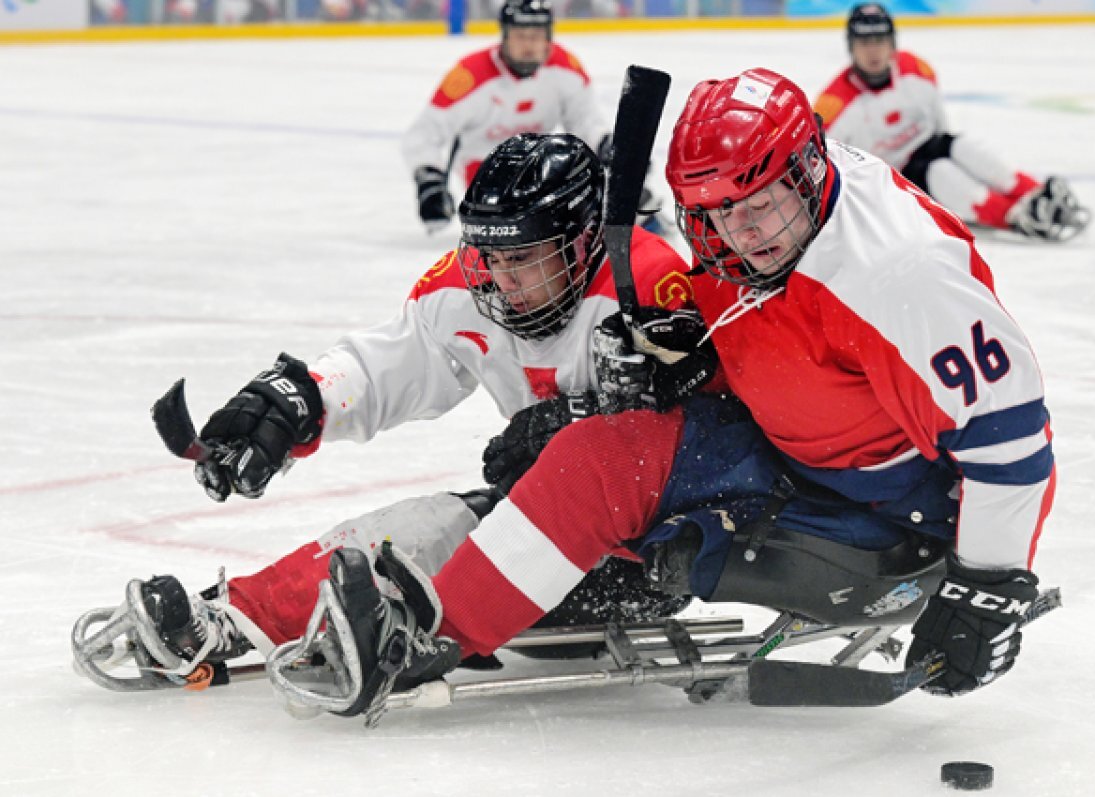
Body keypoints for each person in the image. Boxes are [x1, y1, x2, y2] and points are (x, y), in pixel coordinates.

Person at [281, 67, 1055, 718]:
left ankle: (421, 639)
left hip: (887, 507)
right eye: (713, 215)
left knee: (608, 480)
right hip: (784, 443)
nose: (740, 235)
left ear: (810, 170)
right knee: (594, 452)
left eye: (757, 209)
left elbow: (1011, 445)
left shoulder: (898, 274)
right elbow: (760, 315)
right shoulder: (762, 206)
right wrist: (681, 358)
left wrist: (987, 588)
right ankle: (467, 603)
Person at [73, 133, 708, 690]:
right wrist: (294, 402)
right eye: (488, 255)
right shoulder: (470, 288)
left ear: (580, 244)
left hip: (646, 562)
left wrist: (586, 420)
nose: (499, 279)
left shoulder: (653, 287)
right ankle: (230, 620)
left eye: (522, 258)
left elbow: (715, 432)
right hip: (536, 527)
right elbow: (390, 366)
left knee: (440, 534)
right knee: (420, 529)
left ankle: (380, 622)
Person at [813, 3, 1090, 241]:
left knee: (963, 147)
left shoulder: (916, 69)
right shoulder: (834, 106)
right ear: (851, 46)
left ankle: (1033, 192)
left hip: (927, 146)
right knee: (941, 172)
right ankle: (1015, 217)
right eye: (864, 43)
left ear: (892, 44)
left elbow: (939, 124)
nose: (873, 51)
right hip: (892, 181)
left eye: (880, 41)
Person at [400, 0, 611, 234]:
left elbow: (586, 121)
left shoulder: (565, 67)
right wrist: (430, 182)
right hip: (484, 168)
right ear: (505, 36)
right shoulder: (471, 75)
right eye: (520, 35)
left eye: (537, 36)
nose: (529, 45)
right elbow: (423, 134)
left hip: (540, 165)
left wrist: (606, 145)